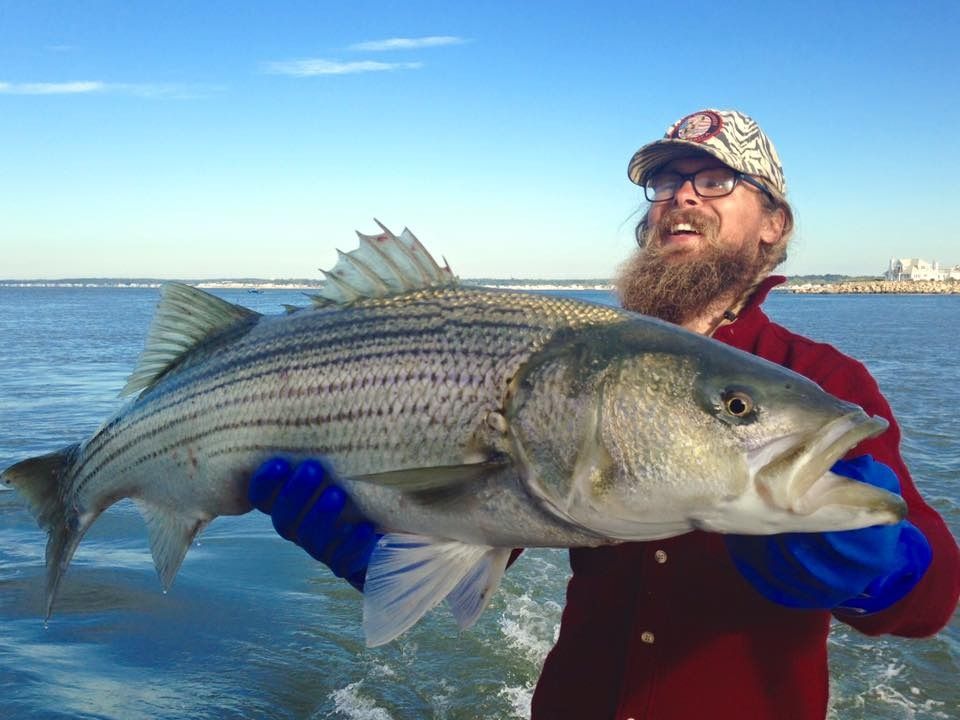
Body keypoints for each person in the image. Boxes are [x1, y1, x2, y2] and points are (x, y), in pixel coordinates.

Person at [247, 110, 960, 719]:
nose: (681, 197)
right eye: (665, 181)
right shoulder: (582, 353)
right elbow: (500, 521)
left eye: (714, 179)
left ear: (774, 222)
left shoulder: (822, 382)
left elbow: (932, 604)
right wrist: (390, 536)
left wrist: (884, 572)